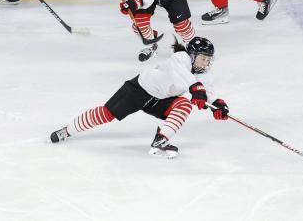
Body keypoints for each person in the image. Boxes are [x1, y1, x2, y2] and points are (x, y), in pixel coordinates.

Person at [50, 36, 229, 159]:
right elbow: (180, 73)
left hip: (162, 100)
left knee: (184, 105)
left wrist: (217, 104)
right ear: (192, 55)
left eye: (208, 60)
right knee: (106, 114)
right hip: (140, 89)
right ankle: (67, 130)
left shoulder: (203, 74)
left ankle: (161, 140)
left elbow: (208, 92)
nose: (206, 63)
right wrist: (195, 87)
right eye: (203, 59)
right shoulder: (181, 58)